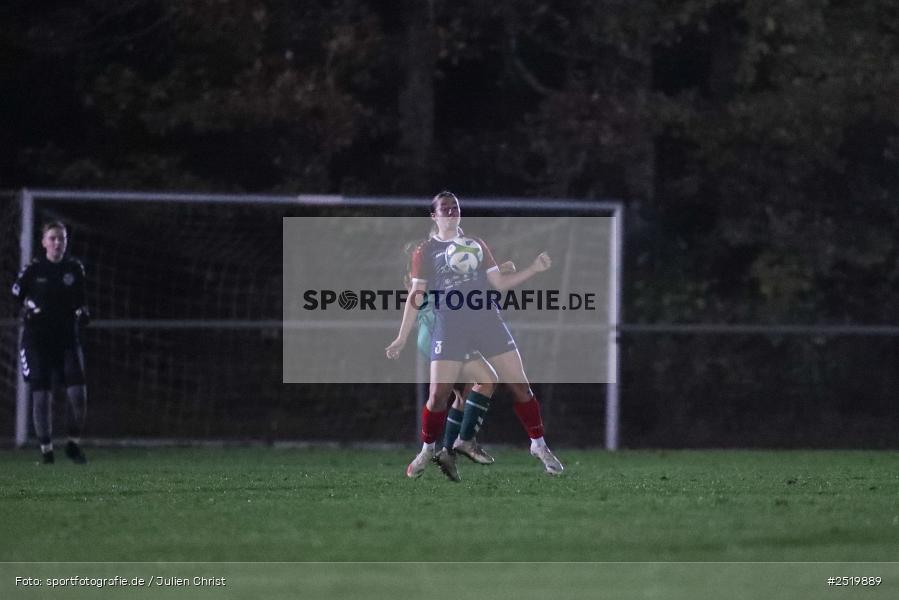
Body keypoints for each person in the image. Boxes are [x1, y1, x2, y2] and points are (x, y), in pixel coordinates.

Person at [386, 191, 564, 479]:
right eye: (444, 208)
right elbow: (416, 295)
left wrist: (533, 268)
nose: (451, 211)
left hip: (486, 321)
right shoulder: (425, 250)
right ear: (434, 216)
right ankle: (428, 449)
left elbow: (499, 283)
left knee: (521, 386)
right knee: (438, 395)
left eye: (455, 207)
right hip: (450, 325)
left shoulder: (476, 244)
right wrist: (402, 337)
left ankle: (539, 445)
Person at [12, 221, 90, 464]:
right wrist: (28, 307)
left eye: (62, 238)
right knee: (42, 396)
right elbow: (16, 293)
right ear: (44, 242)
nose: (58, 243)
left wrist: (84, 313)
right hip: (37, 341)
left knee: (78, 394)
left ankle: (72, 443)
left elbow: (81, 301)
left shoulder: (74, 269)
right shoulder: (33, 270)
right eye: (53, 238)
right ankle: (46, 451)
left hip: (67, 340)